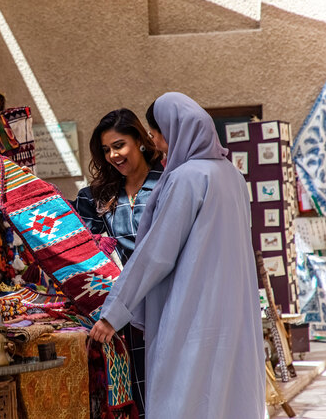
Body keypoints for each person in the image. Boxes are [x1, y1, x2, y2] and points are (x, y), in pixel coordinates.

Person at [89, 92, 265, 419]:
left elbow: (156, 253)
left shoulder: (186, 179)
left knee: (185, 397)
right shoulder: (233, 177)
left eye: (157, 136)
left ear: (176, 131)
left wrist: (114, 311)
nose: (157, 145)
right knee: (228, 398)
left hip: (194, 312)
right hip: (233, 313)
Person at [73, 108, 162, 417]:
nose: (113, 155)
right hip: (114, 314)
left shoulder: (169, 185)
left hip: (163, 308)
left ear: (139, 140)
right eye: (106, 149)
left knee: (165, 395)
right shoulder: (94, 196)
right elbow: (83, 255)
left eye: (119, 145)